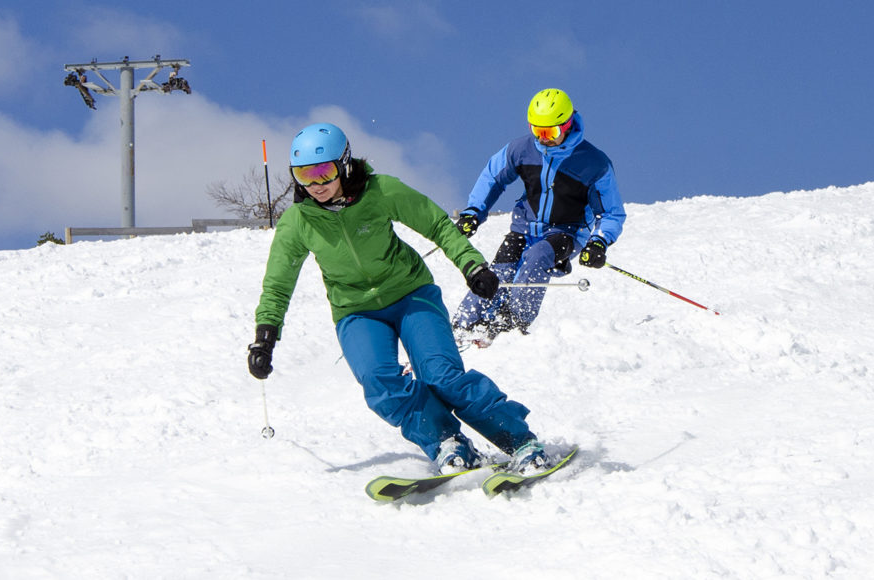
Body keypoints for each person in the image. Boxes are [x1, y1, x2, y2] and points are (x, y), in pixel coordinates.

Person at [247, 122, 548, 475]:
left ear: (344, 164)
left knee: (442, 376)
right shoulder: (297, 222)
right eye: (304, 176)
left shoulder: (380, 190)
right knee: (380, 384)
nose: (316, 185)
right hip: (357, 312)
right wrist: (265, 337)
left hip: (411, 295)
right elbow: (278, 284)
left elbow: (435, 223)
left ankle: (520, 440)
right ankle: (446, 442)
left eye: (323, 172)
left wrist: (472, 266)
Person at [452, 88, 626, 345]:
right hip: (525, 227)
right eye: (538, 131)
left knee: (537, 257)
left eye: (550, 133)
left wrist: (598, 242)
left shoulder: (594, 163)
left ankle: (512, 322)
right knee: (500, 270)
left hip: (566, 232)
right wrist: (473, 212)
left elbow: (611, 213)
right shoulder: (521, 149)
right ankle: (463, 323)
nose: (543, 139)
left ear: (566, 125)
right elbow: (492, 177)